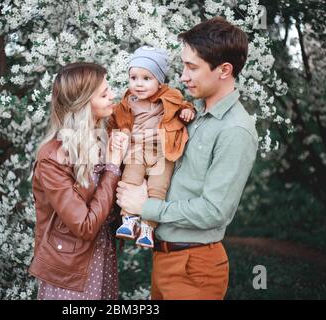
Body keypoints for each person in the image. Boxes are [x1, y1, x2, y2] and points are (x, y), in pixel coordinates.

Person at [116, 17, 259, 299]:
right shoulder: (190, 115)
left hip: (195, 267)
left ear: (224, 70)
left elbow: (214, 211)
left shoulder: (236, 130)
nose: (183, 76)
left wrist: (147, 206)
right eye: (183, 66)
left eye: (192, 67)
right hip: (164, 257)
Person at [28, 62, 129, 300]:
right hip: (70, 273)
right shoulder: (53, 157)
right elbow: (84, 226)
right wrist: (113, 167)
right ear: (83, 104)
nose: (112, 95)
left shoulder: (103, 142)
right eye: (104, 94)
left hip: (102, 260)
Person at [110, 46, 196, 248]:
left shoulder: (169, 96)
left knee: (158, 187)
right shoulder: (126, 102)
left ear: (159, 81)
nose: (139, 84)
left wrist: (187, 112)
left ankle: (148, 228)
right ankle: (129, 220)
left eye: (146, 78)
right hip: (137, 150)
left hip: (162, 153)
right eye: (134, 78)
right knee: (130, 179)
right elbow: (112, 121)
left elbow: (184, 105)